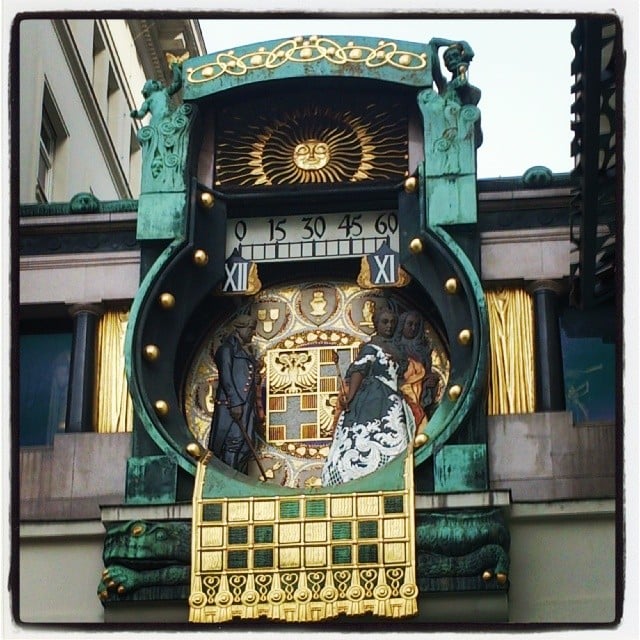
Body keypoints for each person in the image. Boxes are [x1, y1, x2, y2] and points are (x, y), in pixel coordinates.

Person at [321, 307, 415, 486]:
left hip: (392, 398)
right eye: (384, 322)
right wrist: (350, 397)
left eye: (392, 323)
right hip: (374, 398)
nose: (389, 326)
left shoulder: (395, 349)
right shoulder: (371, 348)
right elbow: (359, 372)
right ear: (375, 324)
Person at [207, 314, 261, 473]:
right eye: (251, 329)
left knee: (246, 444)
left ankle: (238, 473)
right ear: (240, 328)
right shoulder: (226, 350)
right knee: (233, 443)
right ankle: (230, 476)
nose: (253, 333)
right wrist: (235, 402)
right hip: (234, 406)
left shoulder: (241, 350)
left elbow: (243, 374)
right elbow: (226, 377)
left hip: (246, 406)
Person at [394, 310, 439, 430]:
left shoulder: (424, 350)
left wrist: (429, 380)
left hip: (420, 391)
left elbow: (425, 373)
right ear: (402, 325)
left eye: (417, 325)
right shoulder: (394, 348)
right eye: (410, 324)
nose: (413, 328)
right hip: (402, 391)